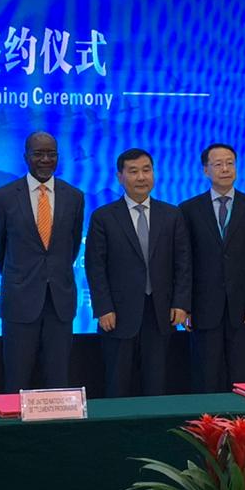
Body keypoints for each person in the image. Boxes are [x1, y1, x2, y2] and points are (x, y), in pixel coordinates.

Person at [84, 148, 191, 397]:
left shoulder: (172, 214)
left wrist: (181, 303)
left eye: (146, 170)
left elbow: (183, 263)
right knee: (117, 384)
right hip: (118, 314)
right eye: (133, 171)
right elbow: (95, 266)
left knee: (156, 384)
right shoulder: (104, 216)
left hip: (161, 312)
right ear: (120, 176)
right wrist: (103, 308)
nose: (141, 177)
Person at [0, 131, 85, 392]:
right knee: (16, 380)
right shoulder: (4, 197)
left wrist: (52, 273)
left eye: (51, 154)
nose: (45, 159)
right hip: (19, 302)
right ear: (25, 157)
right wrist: (22, 276)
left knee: (58, 382)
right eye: (38, 153)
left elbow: (72, 247)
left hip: (60, 303)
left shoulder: (74, 197)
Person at [180, 143, 245, 392]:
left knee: (244, 379)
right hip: (203, 308)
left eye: (230, 163)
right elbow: (184, 263)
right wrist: (185, 306)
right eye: (218, 164)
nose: (225, 169)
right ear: (205, 170)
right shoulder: (188, 210)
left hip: (243, 310)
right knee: (207, 378)